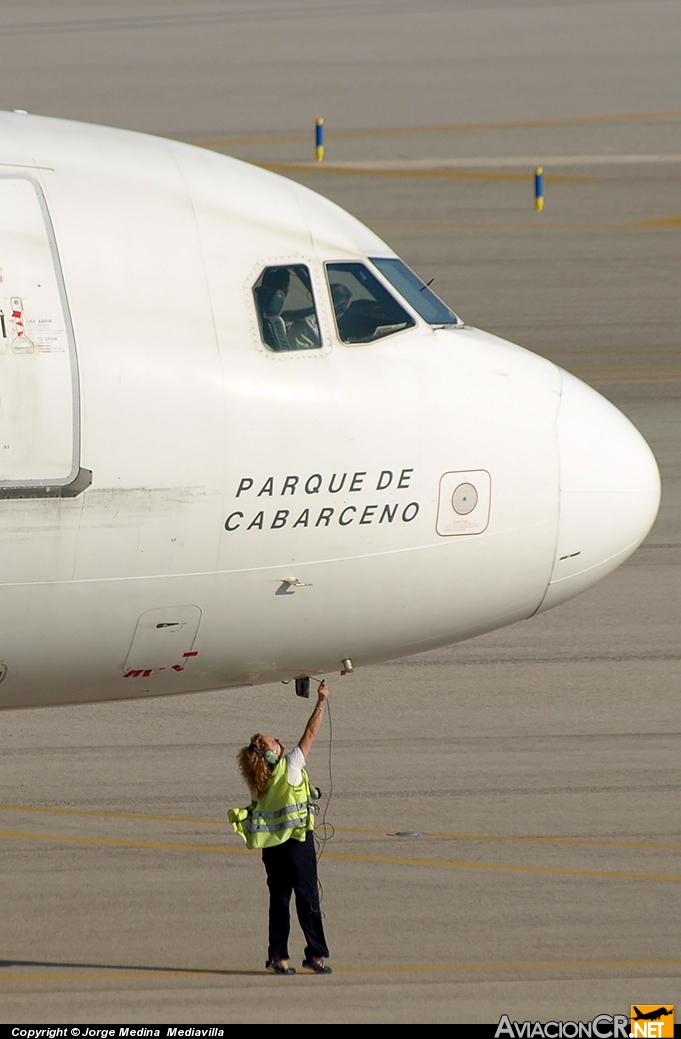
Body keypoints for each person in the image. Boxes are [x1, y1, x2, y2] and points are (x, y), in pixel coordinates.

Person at [229, 681, 331, 975]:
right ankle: (315, 955)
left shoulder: (257, 784)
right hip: (298, 844)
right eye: (274, 742)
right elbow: (310, 733)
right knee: (308, 898)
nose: (278, 742)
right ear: (272, 754)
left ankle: (278, 957)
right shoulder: (292, 766)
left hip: (272, 849)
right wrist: (321, 702)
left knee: (280, 902)